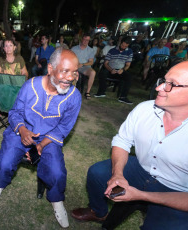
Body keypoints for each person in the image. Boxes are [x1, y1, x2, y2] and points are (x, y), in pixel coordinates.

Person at [71, 61, 188, 230]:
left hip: (177, 190)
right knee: (97, 173)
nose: (159, 87)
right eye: (163, 81)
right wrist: (117, 174)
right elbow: (122, 141)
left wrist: (141, 196)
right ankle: (98, 211)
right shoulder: (145, 109)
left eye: (171, 84)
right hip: (141, 168)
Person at [0, 48, 82, 228]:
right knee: (4, 162)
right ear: (50, 68)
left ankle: (56, 199)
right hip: (22, 131)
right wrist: (22, 131)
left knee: (57, 172)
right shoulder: (30, 85)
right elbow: (15, 113)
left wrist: (41, 145)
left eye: (74, 72)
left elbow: (63, 127)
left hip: (49, 138)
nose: (70, 77)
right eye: (65, 71)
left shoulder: (74, 97)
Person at [94, 36, 134, 105]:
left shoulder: (129, 51)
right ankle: (101, 92)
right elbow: (106, 63)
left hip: (120, 70)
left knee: (129, 77)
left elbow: (128, 64)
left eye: (125, 46)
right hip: (110, 69)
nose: (123, 47)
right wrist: (111, 69)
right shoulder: (112, 50)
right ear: (120, 43)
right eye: (122, 45)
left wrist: (123, 70)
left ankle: (123, 97)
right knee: (102, 73)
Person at [71, 34, 96, 99]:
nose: (85, 41)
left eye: (87, 40)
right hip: (75, 66)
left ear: (89, 41)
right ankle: (73, 90)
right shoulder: (74, 48)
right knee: (74, 73)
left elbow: (91, 62)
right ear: (81, 39)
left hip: (85, 66)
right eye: (84, 39)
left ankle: (87, 92)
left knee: (93, 72)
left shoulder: (90, 50)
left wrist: (83, 64)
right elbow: (70, 58)